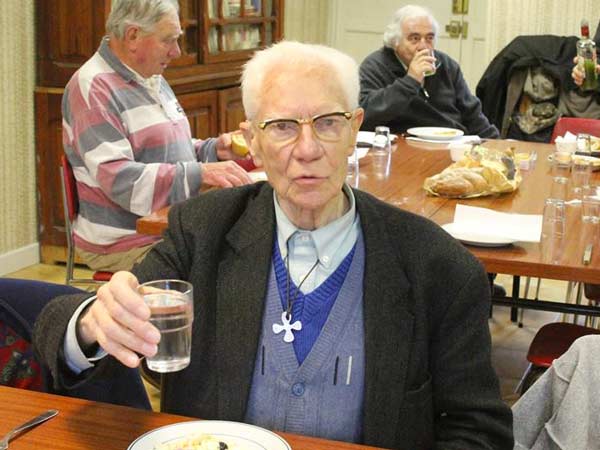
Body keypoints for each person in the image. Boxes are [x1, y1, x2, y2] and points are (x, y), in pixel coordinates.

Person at [34, 41, 513, 449]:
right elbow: (57, 328)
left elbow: (480, 430)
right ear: (253, 142)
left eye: (328, 122)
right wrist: (94, 321)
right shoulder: (203, 230)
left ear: (354, 130)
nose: (307, 149)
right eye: (282, 126)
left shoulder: (437, 266)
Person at [62, 0, 252, 272]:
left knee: (251, 245)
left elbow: (168, 152)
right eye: (168, 40)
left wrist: (213, 151)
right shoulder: (92, 88)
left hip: (168, 224)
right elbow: (121, 180)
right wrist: (200, 174)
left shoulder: (150, 77)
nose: (176, 51)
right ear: (133, 36)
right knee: (230, 268)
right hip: (127, 241)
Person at [359, 5, 498, 138]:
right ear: (395, 41)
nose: (423, 46)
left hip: (451, 143)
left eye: (429, 38)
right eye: (415, 38)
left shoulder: (446, 65)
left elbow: (473, 114)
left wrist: (496, 142)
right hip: (402, 144)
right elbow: (365, 117)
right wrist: (410, 80)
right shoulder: (375, 66)